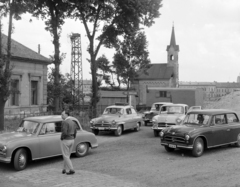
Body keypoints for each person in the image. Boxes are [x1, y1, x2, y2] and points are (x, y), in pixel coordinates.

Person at [60, 110, 77, 175]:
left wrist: (62, 138)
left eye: (62, 114)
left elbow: (64, 132)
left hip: (66, 139)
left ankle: (71, 169)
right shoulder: (73, 122)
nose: (61, 116)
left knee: (65, 155)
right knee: (67, 155)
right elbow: (75, 131)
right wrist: (73, 137)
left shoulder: (65, 122)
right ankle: (64, 169)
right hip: (72, 139)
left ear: (66, 115)